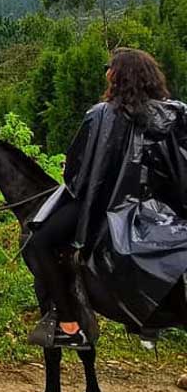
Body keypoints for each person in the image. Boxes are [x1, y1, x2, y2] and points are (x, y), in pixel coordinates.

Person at [24, 47, 185, 348]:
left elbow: (77, 175)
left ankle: (69, 325)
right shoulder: (175, 113)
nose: (106, 73)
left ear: (118, 76)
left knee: (41, 240)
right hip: (157, 214)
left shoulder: (100, 115)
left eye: (109, 67)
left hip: (106, 211)